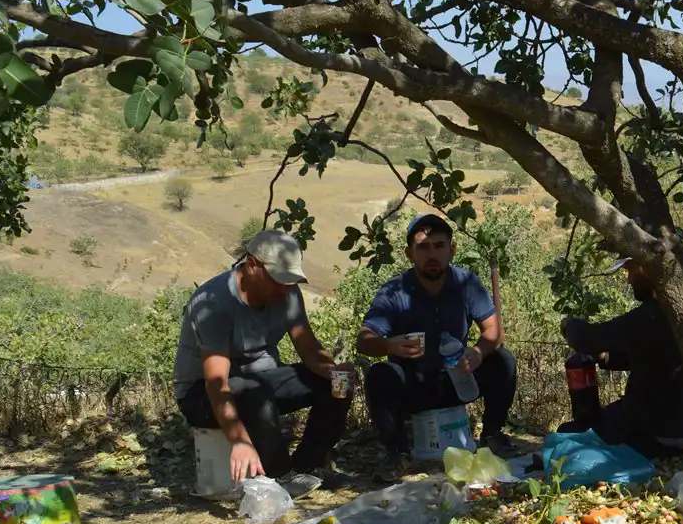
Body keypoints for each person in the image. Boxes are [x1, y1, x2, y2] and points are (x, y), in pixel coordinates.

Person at [173, 230, 353, 497]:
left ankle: (308, 466)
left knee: (338, 384)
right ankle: (281, 476)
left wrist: (335, 372)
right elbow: (216, 382)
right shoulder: (213, 304)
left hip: (260, 385)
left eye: (290, 281)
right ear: (252, 265)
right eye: (278, 280)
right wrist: (239, 439)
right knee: (252, 392)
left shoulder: (287, 294)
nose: (284, 289)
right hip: (202, 395)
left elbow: (310, 350)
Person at [357, 213, 517, 481]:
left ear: (451, 250)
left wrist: (477, 352)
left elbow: (494, 331)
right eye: (423, 247)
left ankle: (491, 436)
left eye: (439, 246)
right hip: (414, 386)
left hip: (458, 379)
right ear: (409, 254)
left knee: (502, 360)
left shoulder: (466, 283)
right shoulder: (394, 291)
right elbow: (364, 340)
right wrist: (389, 344)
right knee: (379, 375)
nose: (432, 254)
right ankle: (397, 454)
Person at [558, 256, 683, 457]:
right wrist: (606, 358)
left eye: (630, 270)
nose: (629, 280)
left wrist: (569, 326)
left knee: (568, 434)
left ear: (647, 267)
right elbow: (654, 358)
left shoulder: (651, 314)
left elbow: (587, 339)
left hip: (660, 434)